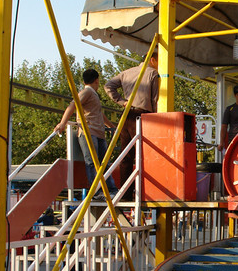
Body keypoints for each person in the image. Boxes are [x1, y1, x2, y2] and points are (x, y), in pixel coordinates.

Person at [55, 69, 118, 199]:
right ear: (97, 80)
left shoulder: (93, 94)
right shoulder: (87, 91)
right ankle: (96, 191)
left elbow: (99, 113)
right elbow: (73, 105)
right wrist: (62, 123)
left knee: (103, 162)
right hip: (88, 131)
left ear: (84, 81)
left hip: (98, 132)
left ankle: (110, 189)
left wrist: (111, 127)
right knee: (93, 162)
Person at [104, 52, 160, 195]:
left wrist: (122, 102)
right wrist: (156, 120)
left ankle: (125, 192)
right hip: (143, 115)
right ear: (152, 60)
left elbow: (108, 85)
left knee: (126, 154)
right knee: (145, 154)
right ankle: (146, 191)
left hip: (126, 114)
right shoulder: (153, 74)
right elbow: (155, 99)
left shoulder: (127, 73)